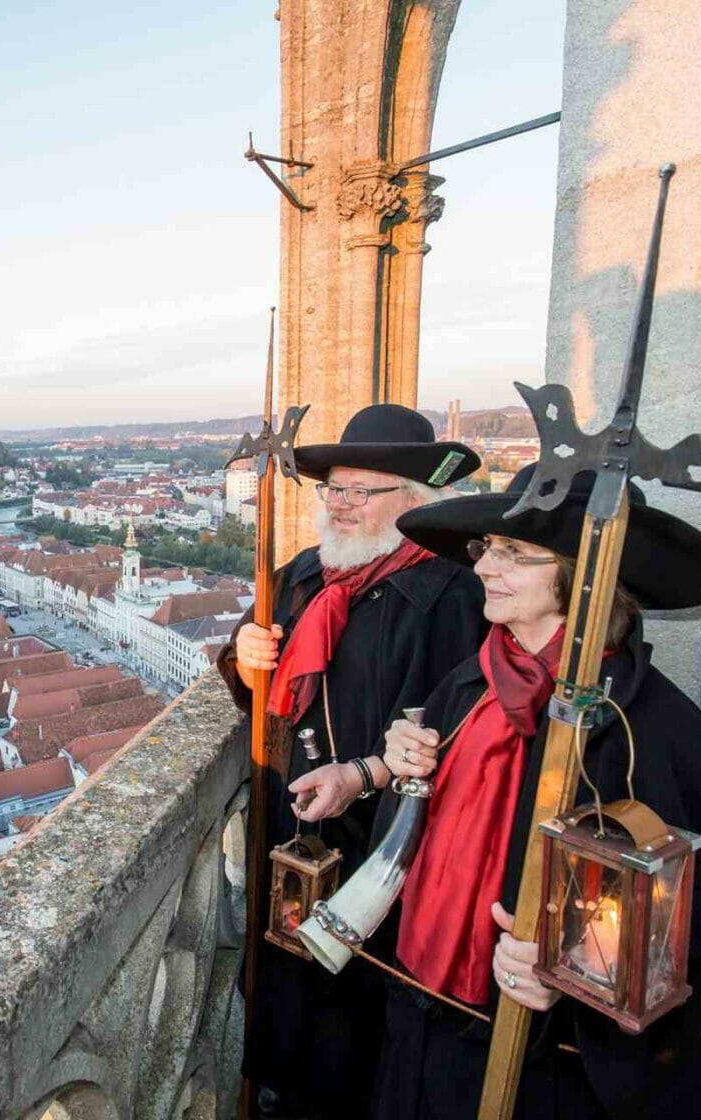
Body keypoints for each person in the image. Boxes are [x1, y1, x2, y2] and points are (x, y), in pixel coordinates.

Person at [363, 466, 701, 1119]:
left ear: (583, 576)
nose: (482, 569)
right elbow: (417, 850)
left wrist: (572, 978)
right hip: (415, 1028)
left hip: (540, 1072)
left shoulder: (661, 739)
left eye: (512, 554)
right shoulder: (467, 687)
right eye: (486, 549)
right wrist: (400, 769)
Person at [217, 403, 486, 1119]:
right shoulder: (304, 575)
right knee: (284, 1008)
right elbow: (251, 658)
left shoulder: (454, 597)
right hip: (291, 833)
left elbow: (462, 741)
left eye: (359, 491)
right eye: (333, 488)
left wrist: (363, 774)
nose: (339, 504)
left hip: (381, 852)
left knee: (353, 1036)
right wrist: (243, 659)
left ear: (416, 502)